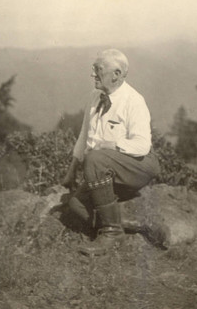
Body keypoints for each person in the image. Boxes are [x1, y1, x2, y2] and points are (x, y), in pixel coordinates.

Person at [61, 48, 160, 256]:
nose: (92, 74)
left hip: (138, 165)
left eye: (98, 69)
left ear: (116, 74)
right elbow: (83, 136)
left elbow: (142, 146)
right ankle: (130, 225)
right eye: (93, 69)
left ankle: (112, 232)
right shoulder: (95, 97)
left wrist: (112, 145)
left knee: (96, 158)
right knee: (75, 204)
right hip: (105, 167)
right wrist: (71, 171)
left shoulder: (134, 101)